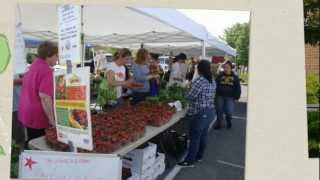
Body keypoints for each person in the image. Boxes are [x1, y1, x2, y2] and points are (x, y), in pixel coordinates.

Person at [18, 41, 58, 149]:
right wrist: (52, 120)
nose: (57, 58)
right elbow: (45, 97)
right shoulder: (46, 70)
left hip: (26, 111)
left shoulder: (34, 65)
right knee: (39, 146)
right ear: (49, 55)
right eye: (56, 55)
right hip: (37, 116)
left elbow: (28, 81)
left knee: (32, 141)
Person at [178, 60, 216, 167]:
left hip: (200, 112)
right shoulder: (212, 80)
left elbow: (189, 96)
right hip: (210, 111)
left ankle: (189, 161)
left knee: (195, 138)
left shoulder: (200, 81)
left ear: (199, 69)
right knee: (203, 135)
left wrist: (185, 89)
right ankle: (199, 156)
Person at [214, 60, 241, 129]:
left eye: (228, 67)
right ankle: (219, 123)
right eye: (225, 67)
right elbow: (215, 84)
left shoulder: (235, 77)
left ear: (231, 68)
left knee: (229, 111)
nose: (226, 69)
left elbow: (238, 88)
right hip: (220, 96)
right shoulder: (219, 75)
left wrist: (237, 97)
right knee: (219, 111)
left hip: (230, 97)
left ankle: (228, 120)